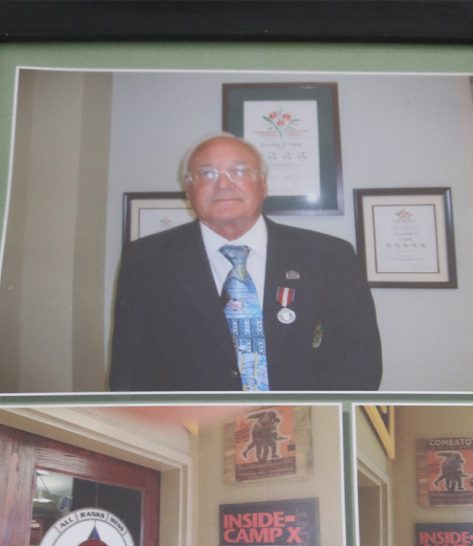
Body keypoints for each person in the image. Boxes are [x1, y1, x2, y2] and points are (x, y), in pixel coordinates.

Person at [110, 133, 382, 392]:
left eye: (239, 171)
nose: (224, 184)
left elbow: (360, 363)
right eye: (207, 173)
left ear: (264, 185)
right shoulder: (146, 260)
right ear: (189, 190)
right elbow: (128, 372)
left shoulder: (330, 257)